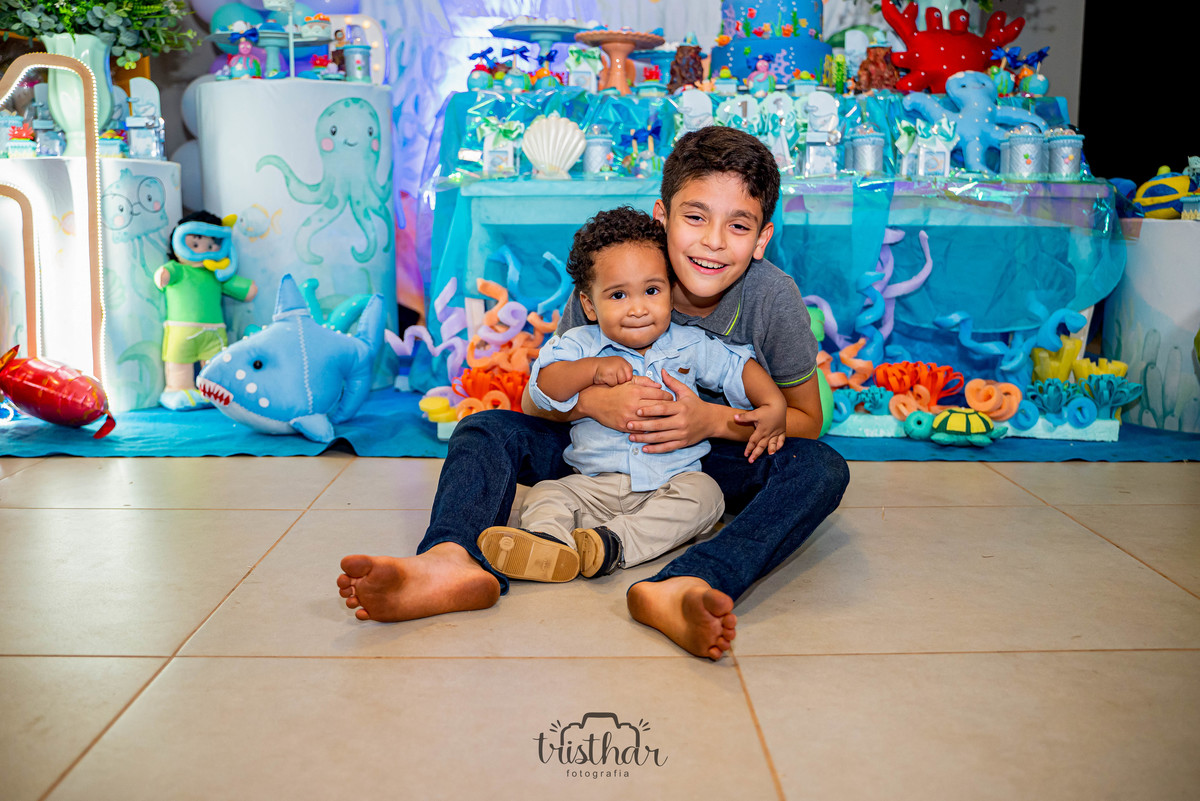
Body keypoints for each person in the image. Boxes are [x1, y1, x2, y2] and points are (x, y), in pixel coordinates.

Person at [337, 125, 850, 661]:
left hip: (706, 459)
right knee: (484, 428)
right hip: (594, 449)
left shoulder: (772, 297)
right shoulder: (615, 272)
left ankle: (687, 582)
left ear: (761, 239)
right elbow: (537, 401)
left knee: (819, 468)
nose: (714, 241)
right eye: (695, 217)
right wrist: (593, 403)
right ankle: (451, 559)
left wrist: (711, 422)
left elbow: (806, 419)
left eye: (737, 226)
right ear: (663, 216)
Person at [477, 206, 786, 583]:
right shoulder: (580, 344)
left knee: (706, 496)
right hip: (593, 485)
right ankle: (547, 542)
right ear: (589, 305)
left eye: (652, 291)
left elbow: (739, 367)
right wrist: (591, 370)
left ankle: (612, 544)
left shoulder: (690, 344)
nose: (638, 308)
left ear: (671, 292)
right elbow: (543, 387)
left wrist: (773, 404)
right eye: (618, 295)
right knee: (545, 494)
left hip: (669, 484)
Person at [154, 211, 256, 411]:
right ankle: (178, 390)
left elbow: (244, 290)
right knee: (179, 365)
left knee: (216, 365)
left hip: (214, 333)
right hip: (181, 331)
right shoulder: (178, 269)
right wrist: (163, 275)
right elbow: (164, 275)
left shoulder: (217, 275)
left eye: (211, 244)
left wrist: (247, 288)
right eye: (196, 242)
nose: (204, 248)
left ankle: (215, 391)